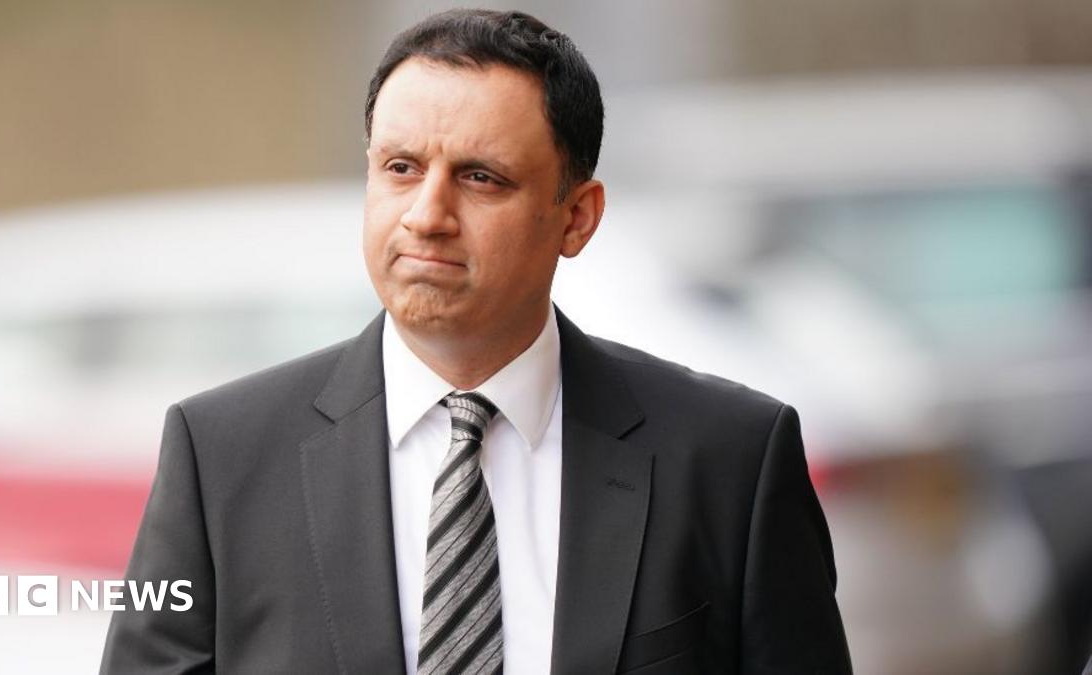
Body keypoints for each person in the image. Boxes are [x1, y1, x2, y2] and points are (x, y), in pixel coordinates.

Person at [100, 8, 851, 674]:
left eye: (481, 178)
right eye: (400, 168)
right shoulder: (221, 456)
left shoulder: (730, 462)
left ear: (577, 217)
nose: (427, 213)